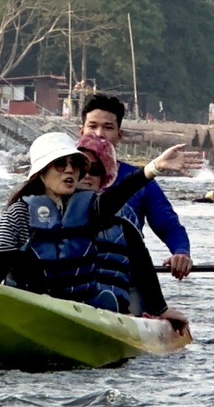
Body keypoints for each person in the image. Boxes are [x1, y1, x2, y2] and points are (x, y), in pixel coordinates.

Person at [0, 131, 194, 326]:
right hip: (31, 305)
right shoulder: (18, 213)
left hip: (79, 311)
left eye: (75, 164)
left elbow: (120, 194)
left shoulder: (90, 209)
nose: (70, 170)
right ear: (41, 172)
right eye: (61, 164)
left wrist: (153, 168)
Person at [79, 93, 194, 280]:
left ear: (119, 135)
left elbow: (168, 225)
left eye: (108, 128)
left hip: (124, 278)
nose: (99, 134)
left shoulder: (142, 182)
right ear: (81, 131)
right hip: (75, 278)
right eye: (92, 126)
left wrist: (181, 252)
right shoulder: (64, 175)